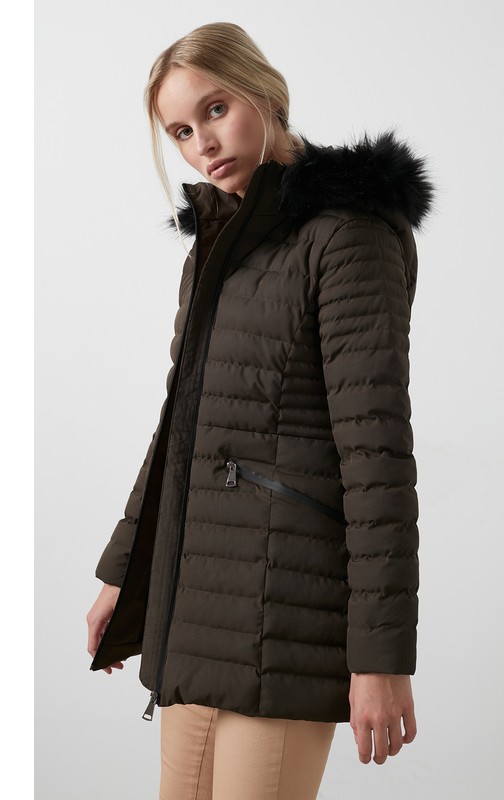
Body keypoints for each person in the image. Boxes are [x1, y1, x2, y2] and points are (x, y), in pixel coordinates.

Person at [86, 21, 434, 800]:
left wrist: (381, 658)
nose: (203, 144)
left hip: (287, 612)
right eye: (181, 131)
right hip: (198, 601)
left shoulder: (348, 235)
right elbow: (182, 426)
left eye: (216, 109)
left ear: (266, 93)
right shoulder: (217, 245)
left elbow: (377, 453)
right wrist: (124, 575)